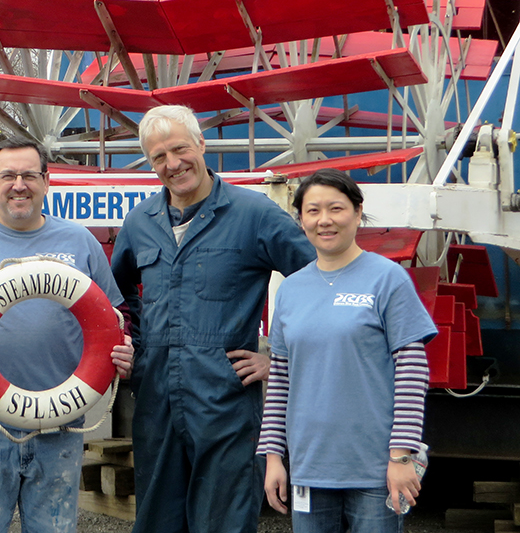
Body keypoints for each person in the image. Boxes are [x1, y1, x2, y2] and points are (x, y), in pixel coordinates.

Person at [109, 105, 316, 533]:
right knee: (156, 521)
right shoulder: (139, 222)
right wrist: (137, 345)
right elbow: (118, 294)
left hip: (226, 401)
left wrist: (278, 357)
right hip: (156, 401)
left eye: (180, 149)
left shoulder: (254, 214)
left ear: (202, 144)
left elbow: (316, 282)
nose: (172, 164)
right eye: (158, 158)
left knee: (223, 522)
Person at [0, 134, 134, 533]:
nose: (19, 184)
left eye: (30, 175)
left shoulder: (79, 240)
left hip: (61, 419)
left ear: (47, 181)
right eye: (8, 175)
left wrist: (125, 347)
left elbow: (116, 316)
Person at [258, 168, 437, 532]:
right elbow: (279, 381)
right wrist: (274, 457)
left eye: (336, 208)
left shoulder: (388, 279)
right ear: (301, 219)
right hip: (310, 467)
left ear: (358, 212)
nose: (325, 220)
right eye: (313, 211)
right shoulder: (290, 290)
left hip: (376, 470)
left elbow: (412, 370)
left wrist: (402, 456)